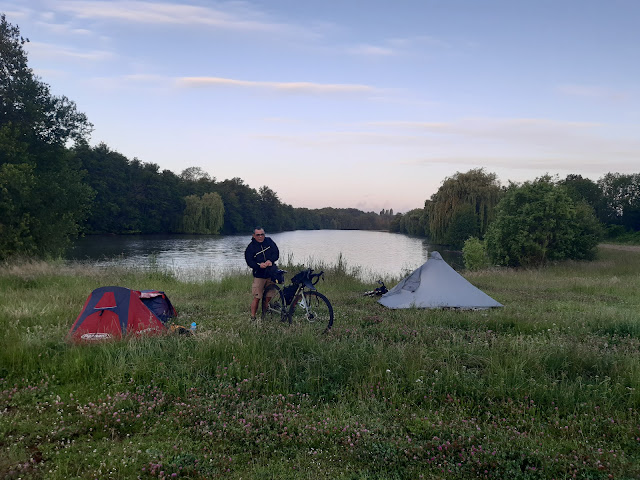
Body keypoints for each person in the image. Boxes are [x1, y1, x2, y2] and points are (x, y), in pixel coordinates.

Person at [244, 227, 280, 320]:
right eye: (258, 235)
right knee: (257, 297)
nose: (260, 236)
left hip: (270, 273)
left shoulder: (269, 241)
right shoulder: (250, 247)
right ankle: (253, 317)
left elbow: (276, 253)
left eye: (262, 234)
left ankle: (265, 313)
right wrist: (259, 265)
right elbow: (249, 262)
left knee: (269, 296)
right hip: (259, 274)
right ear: (254, 236)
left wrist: (270, 260)